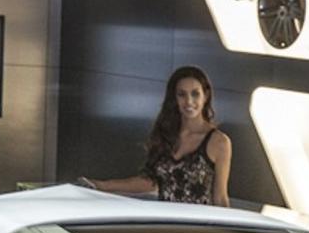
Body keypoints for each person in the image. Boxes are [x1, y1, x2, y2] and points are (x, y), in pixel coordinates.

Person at [81, 65, 232, 206]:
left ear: (205, 96)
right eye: (181, 94)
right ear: (174, 98)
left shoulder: (219, 142)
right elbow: (150, 182)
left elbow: (220, 198)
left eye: (195, 94)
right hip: (163, 225)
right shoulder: (167, 133)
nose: (189, 101)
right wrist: (101, 185)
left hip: (198, 229)